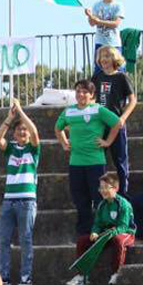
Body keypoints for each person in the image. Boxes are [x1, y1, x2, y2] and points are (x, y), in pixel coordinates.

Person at [54, 79, 122, 239]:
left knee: (100, 199)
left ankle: (102, 231)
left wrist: (108, 142)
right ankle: (84, 234)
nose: (81, 94)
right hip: (76, 163)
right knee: (80, 200)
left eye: (85, 91)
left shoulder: (98, 109)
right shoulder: (69, 111)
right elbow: (58, 128)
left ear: (92, 95)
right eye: (78, 91)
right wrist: (64, 143)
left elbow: (117, 123)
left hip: (95, 162)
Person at [0, 99, 40, 285]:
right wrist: (9, 118)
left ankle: (26, 277)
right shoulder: (11, 148)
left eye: (24, 130)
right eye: (19, 129)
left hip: (27, 202)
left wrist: (20, 111)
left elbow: (35, 133)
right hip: (8, 201)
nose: (22, 132)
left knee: (26, 240)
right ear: (14, 133)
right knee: (3, 240)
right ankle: (4, 277)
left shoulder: (33, 149)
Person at [68, 173, 136, 285]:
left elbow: (123, 226)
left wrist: (111, 233)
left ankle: (116, 273)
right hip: (106, 234)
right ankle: (82, 276)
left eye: (106, 187)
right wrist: (95, 232)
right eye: (101, 188)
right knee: (82, 241)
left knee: (118, 240)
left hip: (126, 233)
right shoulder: (102, 205)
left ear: (115, 188)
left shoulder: (123, 204)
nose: (103, 191)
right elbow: (97, 223)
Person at [92, 45, 138, 195]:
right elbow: (91, 99)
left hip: (116, 125)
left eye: (107, 56)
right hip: (99, 126)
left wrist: (123, 118)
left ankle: (123, 196)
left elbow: (133, 100)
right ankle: (100, 196)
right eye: (101, 57)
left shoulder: (121, 77)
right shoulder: (97, 77)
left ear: (114, 58)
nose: (103, 59)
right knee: (97, 163)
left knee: (121, 163)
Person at [85, 0, 124, 72]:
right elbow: (92, 23)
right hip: (100, 42)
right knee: (99, 69)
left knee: (117, 68)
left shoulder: (118, 5)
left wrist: (99, 21)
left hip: (113, 43)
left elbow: (116, 23)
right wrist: (89, 15)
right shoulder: (97, 5)